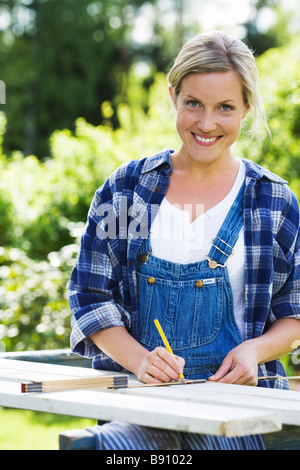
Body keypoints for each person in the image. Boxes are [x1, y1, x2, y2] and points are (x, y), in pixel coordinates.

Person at [68, 30, 300, 450]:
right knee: (109, 449)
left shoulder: (273, 200)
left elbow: (295, 310)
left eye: (225, 107)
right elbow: (89, 295)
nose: (206, 123)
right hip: (143, 407)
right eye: (193, 103)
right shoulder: (127, 190)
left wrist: (255, 352)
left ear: (246, 108)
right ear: (173, 95)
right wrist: (141, 361)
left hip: (241, 411)